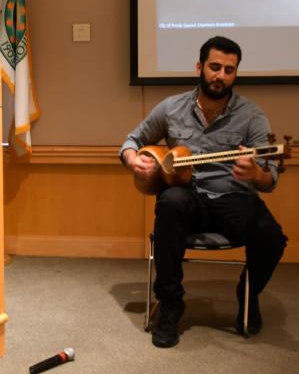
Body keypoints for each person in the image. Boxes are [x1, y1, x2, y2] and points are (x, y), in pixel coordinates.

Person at [120, 37, 287, 348]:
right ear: (200, 67)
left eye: (229, 70)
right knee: (170, 202)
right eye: (214, 67)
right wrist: (134, 161)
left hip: (233, 199)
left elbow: (271, 178)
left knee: (272, 237)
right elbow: (130, 141)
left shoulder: (251, 116)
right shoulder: (171, 108)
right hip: (189, 198)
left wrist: (257, 174)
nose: (220, 75)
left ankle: (248, 293)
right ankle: (171, 303)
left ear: (235, 74)